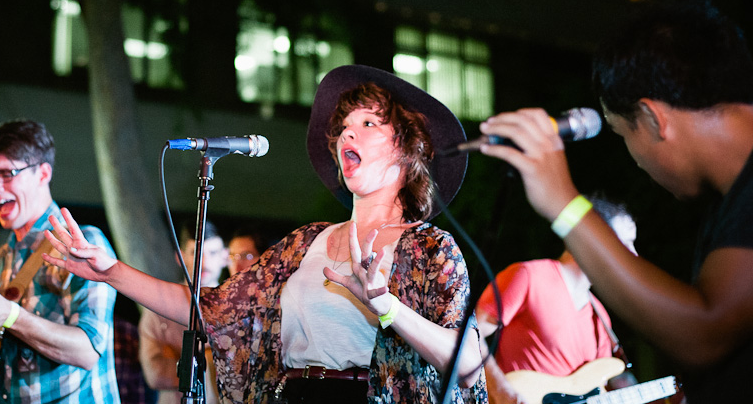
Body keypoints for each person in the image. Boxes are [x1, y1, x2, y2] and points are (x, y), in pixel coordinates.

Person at [45, 65, 488, 404]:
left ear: (407, 150)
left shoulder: (431, 248)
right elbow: (212, 311)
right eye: (344, 127)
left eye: (369, 124)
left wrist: (387, 307)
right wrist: (111, 272)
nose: (348, 131)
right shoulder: (304, 244)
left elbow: (468, 363)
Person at [475, 1, 753, 404]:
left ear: (653, 117)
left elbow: (704, 332)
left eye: (624, 135)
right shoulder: (729, 203)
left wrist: (562, 201)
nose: (636, 161)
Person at [0, 120, 121, 404]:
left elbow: (88, 351)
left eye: (7, 174)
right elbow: (0, 355)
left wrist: (9, 315)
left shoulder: (82, 242)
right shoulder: (0, 253)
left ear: (43, 173)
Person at [475, 195, 638, 404]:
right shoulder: (528, 276)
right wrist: (500, 389)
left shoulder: (600, 317)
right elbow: (470, 334)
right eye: (625, 243)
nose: (633, 254)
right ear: (591, 237)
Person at [138, 219, 225, 404]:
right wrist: (211, 357)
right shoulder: (158, 307)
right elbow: (155, 374)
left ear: (225, 257)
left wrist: (180, 357)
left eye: (213, 252)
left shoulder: (237, 308)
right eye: (195, 252)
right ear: (180, 257)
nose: (204, 261)